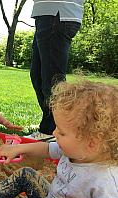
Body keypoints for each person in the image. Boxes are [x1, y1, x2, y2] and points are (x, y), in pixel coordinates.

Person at [0, 80, 118, 198]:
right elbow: (47, 149)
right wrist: (18, 148)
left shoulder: (106, 181)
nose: (54, 133)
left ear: (91, 143)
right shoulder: (74, 151)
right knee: (26, 174)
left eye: (61, 133)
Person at [28, 0, 85, 140]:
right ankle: (52, 125)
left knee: (52, 82)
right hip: (47, 13)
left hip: (58, 13)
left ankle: (54, 130)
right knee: (38, 77)